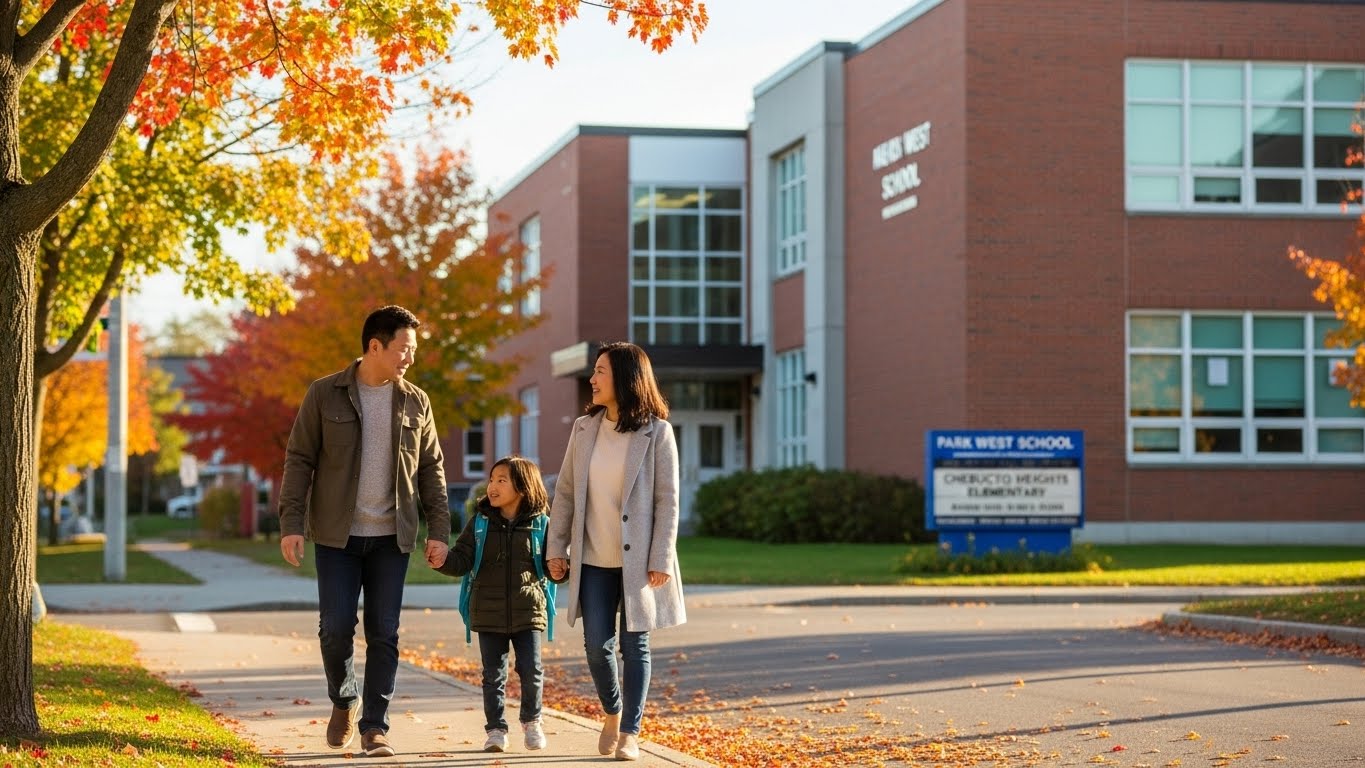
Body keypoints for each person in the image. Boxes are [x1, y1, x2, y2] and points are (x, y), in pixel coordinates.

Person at [277, 304, 451, 757]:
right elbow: (299, 460)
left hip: (392, 539)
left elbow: (432, 468)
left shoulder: (417, 401)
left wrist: (439, 530)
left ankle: (376, 727)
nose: (409, 358)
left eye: (412, 350)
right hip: (339, 536)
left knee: (384, 632)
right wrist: (291, 523)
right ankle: (344, 698)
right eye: (404, 349)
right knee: (335, 629)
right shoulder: (324, 394)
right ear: (375, 346)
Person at [546, 341, 686, 761]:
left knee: (635, 646)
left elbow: (668, 500)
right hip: (592, 559)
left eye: (600, 371)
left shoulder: (657, 432)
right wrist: (557, 546)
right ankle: (612, 710)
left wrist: (661, 557)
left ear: (625, 377)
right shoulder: (584, 429)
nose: (592, 379)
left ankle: (630, 732)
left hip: (639, 561)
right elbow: (566, 494)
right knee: (595, 645)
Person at [433, 455, 563, 753]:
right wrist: (442, 561)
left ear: (522, 486)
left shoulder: (541, 524)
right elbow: (462, 560)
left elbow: (553, 566)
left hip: (528, 609)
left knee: (531, 669)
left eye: (501, 480)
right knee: (493, 674)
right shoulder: (479, 522)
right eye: (492, 479)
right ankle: (496, 730)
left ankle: (532, 721)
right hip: (487, 610)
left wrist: (561, 571)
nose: (492, 485)